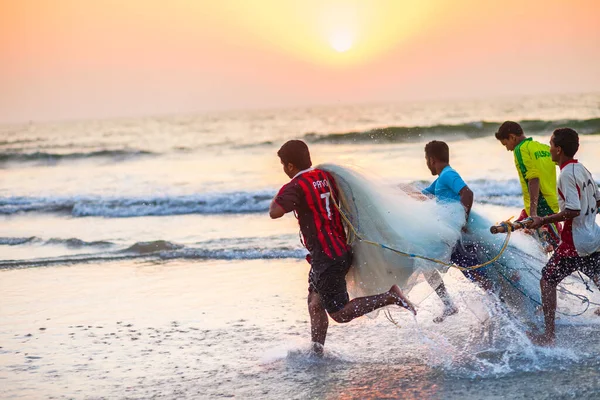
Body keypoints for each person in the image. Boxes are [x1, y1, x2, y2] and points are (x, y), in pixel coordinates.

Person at [269, 140, 416, 354]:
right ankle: (317, 351)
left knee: (339, 313)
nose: (283, 170)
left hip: (328, 257)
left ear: (290, 166)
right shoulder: (325, 176)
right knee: (315, 302)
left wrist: (281, 194)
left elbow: (275, 211)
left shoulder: (296, 185)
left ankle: (390, 296)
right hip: (336, 251)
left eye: (283, 165)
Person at [527, 128, 600, 346]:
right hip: (593, 237)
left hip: (575, 241)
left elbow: (573, 211)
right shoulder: (582, 169)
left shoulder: (567, 173)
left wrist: (543, 220)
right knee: (597, 276)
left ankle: (548, 335)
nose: (549, 149)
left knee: (547, 279)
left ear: (558, 150)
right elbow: (597, 201)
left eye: (550, 145)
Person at [420, 141, 495, 294]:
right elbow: (423, 194)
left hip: (457, 234)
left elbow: (467, 193)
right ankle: (449, 305)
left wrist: (462, 223)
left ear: (432, 159)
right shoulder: (441, 179)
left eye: (427, 160)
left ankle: (502, 311)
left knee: (476, 274)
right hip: (450, 235)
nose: (427, 164)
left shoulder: (448, 174)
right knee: (425, 262)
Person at [495, 121, 561, 250]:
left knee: (550, 245)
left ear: (512, 137)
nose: (508, 148)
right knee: (521, 231)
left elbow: (533, 179)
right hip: (552, 202)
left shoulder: (520, 149)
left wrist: (533, 213)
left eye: (506, 144)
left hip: (539, 207)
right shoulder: (542, 147)